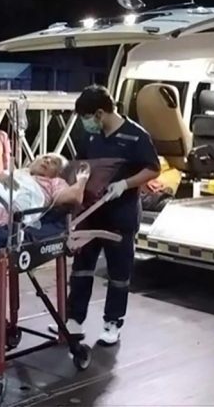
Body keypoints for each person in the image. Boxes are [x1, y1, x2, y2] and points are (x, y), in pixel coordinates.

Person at [48, 85, 160, 346]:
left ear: (99, 113)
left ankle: (112, 323)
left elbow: (153, 169)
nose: (86, 123)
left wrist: (125, 184)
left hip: (121, 215)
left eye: (87, 117)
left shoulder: (136, 136)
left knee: (118, 273)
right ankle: (74, 320)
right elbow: (79, 165)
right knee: (81, 268)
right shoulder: (91, 136)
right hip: (90, 212)